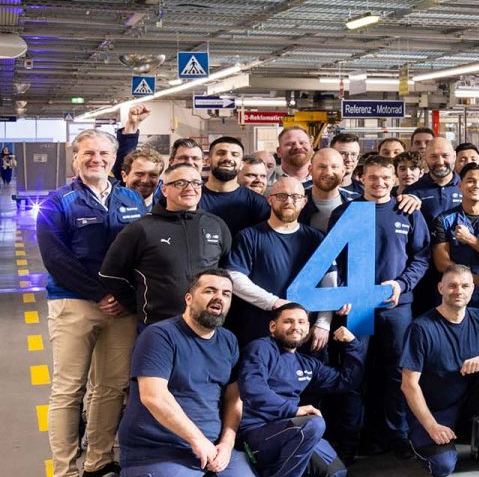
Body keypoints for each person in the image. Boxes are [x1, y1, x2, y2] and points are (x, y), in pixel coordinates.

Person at [98, 270, 261, 477]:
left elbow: (234, 398)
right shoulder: (160, 336)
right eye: (209, 290)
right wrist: (198, 441)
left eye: (226, 293)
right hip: (158, 448)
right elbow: (153, 396)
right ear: (189, 297)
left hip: (209, 448)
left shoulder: (229, 341)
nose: (218, 298)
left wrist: (227, 444)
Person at [41, 129, 147, 477]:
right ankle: (65, 475)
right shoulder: (58, 202)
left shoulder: (132, 198)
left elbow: (142, 253)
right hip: (74, 304)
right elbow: (56, 259)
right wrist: (100, 294)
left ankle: (98, 462)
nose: (96, 159)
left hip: (120, 309)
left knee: (110, 387)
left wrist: (124, 297)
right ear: (75, 158)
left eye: (104, 153)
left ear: (114, 158)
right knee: (68, 390)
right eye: (88, 153)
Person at [398, 266, 479, 477]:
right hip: (436, 410)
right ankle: (423, 438)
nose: (459, 291)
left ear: (472, 290)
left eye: (465, 286)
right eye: (452, 286)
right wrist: (432, 427)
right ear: (440, 288)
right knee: (442, 467)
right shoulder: (421, 328)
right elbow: (408, 385)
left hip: (469, 401)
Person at [236, 303, 353, 477]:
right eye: (288, 321)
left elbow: (346, 381)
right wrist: (294, 410)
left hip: (288, 431)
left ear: (308, 327)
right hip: (256, 434)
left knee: (334, 473)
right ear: (273, 326)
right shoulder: (261, 348)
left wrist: (352, 345)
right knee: (313, 424)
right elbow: (252, 389)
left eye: (301, 322)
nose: (295, 327)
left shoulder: (306, 363)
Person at [354, 155, 431, 454]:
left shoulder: (407, 211)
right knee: (357, 369)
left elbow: (421, 257)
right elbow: (334, 260)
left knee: (396, 372)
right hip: (358, 306)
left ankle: (396, 434)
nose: (379, 183)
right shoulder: (347, 213)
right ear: (361, 177)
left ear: (395, 179)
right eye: (373, 177)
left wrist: (401, 284)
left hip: (397, 306)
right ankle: (360, 435)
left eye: (386, 177)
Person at [99, 164, 232, 324]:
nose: (190, 188)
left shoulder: (216, 225)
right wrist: (138, 305)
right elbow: (110, 274)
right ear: (164, 189)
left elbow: (225, 271)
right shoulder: (141, 229)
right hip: (157, 326)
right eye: (180, 183)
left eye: (196, 183)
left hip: (206, 326)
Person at [226, 179, 326, 350]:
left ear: (304, 202)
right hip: (259, 333)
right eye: (281, 196)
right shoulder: (249, 236)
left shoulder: (316, 239)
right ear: (269, 199)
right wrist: (274, 302)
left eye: (295, 196)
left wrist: (324, 323)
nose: (289, 201)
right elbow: (234, 277)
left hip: (304, 334)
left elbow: (328, 282)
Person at [432, 164, 479, 308]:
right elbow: (441, 263)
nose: (476, 185)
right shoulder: (444, 220)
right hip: (454, 300)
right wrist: (475, 279)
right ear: (460, 186)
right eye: (471, 181)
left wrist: (471, 239)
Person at [201, 136, 269, 233]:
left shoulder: (258, 203)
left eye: (235, 155)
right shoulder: (193, 198)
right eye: (221, 153)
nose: (228, 158)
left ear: (241, 165)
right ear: (208, 161)